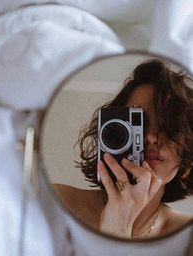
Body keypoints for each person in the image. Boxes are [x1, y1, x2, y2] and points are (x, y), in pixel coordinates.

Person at [54, 59, 193, 239]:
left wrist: (118, 228)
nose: (151, 136)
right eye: (138, 121)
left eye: (169, 127)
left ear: (187, 164)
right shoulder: (55, 204)